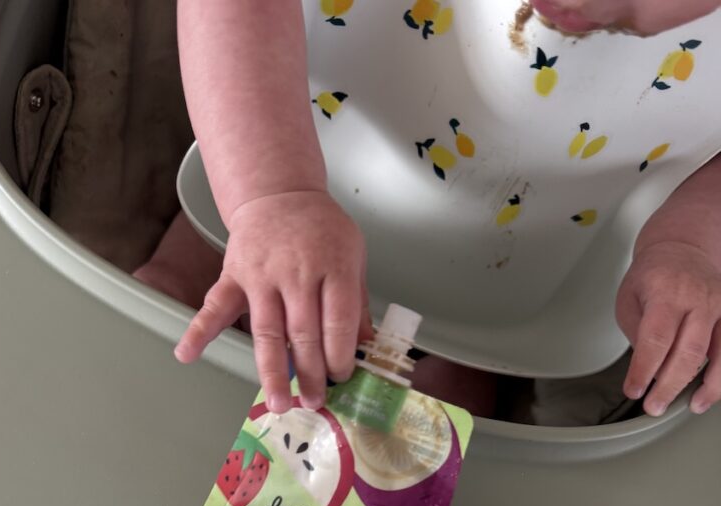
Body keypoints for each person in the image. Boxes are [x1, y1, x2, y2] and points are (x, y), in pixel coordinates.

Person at [139, 0, 721, 422]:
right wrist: (271, 196)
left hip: (525, 250)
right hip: (299, 149)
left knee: (442, 418)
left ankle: (459, 364)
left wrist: (690, 248)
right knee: (167, 298)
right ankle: (190, 266)